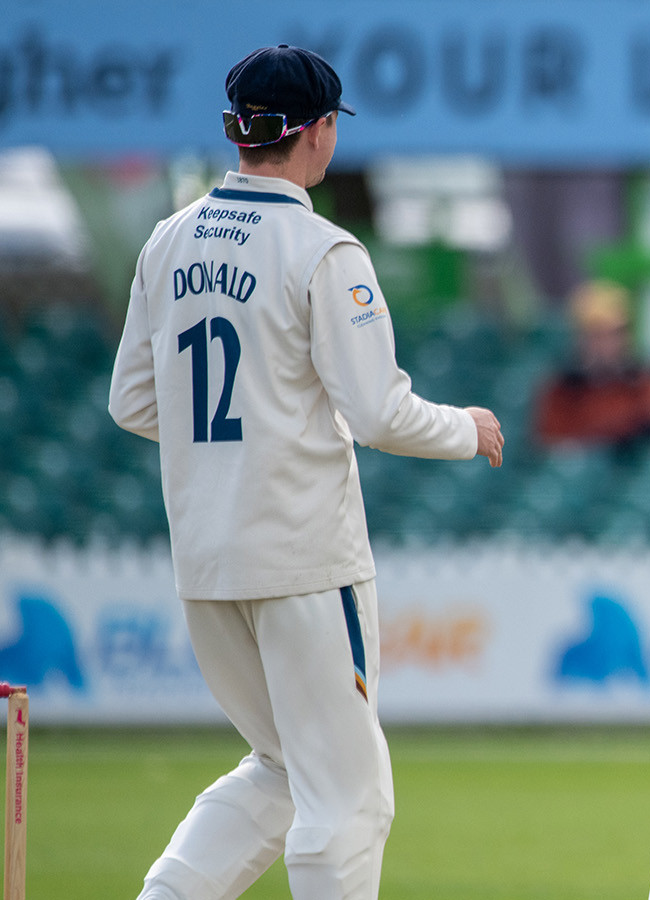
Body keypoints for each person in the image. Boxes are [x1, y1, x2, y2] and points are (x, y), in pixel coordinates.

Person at [108, 44, 504, 900]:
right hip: (302, 560)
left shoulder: (167, 240)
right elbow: (379, 414)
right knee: (348, 800)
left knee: (281, 770)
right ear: (318, 132)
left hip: (207, 560)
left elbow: (133, 405)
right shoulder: (324, 250)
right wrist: (467, 430)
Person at [532, 278, 650, 450]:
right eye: (596, 334)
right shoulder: (562, 389)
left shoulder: (649, 381)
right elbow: (552, 442)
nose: (605, 344)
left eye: (614, 334)